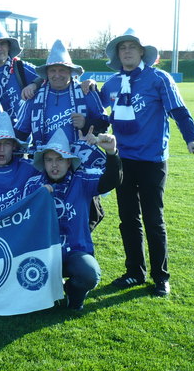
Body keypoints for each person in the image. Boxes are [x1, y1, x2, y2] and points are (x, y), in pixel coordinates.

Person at [99, 28, 194, 296]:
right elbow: (97, 113)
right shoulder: (111, 84)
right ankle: (135, 272)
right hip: (123, 160)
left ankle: (161, 277)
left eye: (133, 47)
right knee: (127, 219)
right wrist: (88, 89)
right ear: (118, 54)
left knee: (153, 219)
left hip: (152, 160)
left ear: (142, 52)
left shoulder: (159, 78)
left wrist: (191, 139)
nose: (128, 51)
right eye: (123, 48)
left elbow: (178, 110)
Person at [23, 128, 122, 310]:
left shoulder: (82, 180)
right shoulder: (32, 185)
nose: (54, 165)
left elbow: (112, 180)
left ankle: (73, 295)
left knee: (89, 274)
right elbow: (23, 221)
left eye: (60, 159)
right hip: (41, 253)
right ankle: (47, 289)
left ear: (69, 162)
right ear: (43, 163)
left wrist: (111, 153)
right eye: (49, 160)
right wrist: (38, 197)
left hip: (74, 252)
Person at [15, 39, 109, 149]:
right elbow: (20, 133)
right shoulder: (34, 97)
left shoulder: (86, 92)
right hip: (44, 161)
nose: (57, 75)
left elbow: (104, 124)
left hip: (80, 159)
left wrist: (85, 124)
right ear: (47, 73)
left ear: (70, 72)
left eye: (62, 70)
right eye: (53, 70)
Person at [0, 18, 41, 122]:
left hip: (20, 133)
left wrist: (33, 85)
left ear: (8, 47)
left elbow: (46, 76)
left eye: (3, 43)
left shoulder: (20, 67)